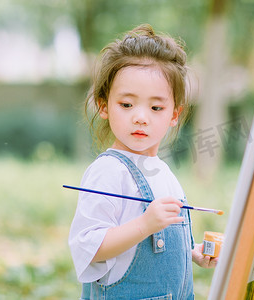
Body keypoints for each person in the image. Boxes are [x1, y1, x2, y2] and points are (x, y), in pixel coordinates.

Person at [68, 24, 217, 300]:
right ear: (103, 106)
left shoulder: (163, 171)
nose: (140, 117)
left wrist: (193, 253)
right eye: (126, 105)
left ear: (174, 114)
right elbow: (89, 246)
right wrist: (144, 225)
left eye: (156, 107)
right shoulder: (108, 171)